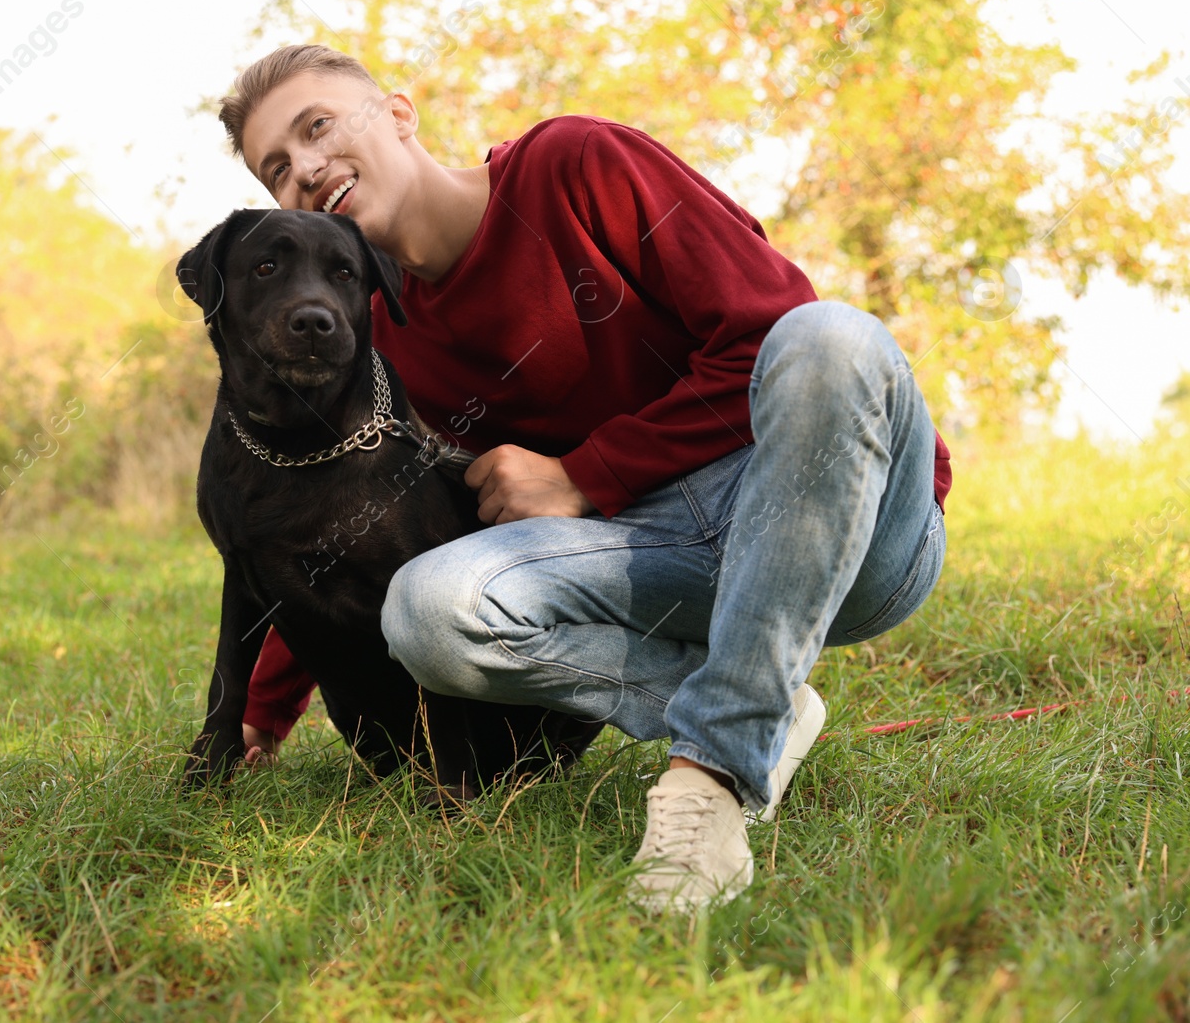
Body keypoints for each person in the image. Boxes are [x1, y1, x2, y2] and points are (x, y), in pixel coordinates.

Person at [211, 44, 950, 914]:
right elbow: (353, 523)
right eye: (278, 167)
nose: (306, 168)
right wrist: (267, 704)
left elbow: (770, 341)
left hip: (839, 529)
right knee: (428, 608)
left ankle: (709, 779)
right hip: (651, 562)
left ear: (399, 114)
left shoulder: (575, 164)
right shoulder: (378, 338)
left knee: (833, 338)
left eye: (318, 126)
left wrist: (582, 475)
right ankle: (765, 703)